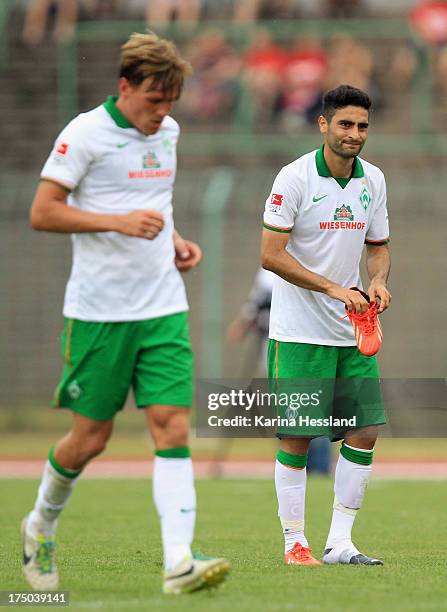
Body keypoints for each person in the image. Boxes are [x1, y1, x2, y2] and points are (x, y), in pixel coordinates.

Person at [22, 32, 230, 595]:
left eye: (170, 103)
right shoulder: (85, 133)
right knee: (89, 439)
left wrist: (176, 241)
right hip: (99, 313)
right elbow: (43, 212)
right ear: (124, 86)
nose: (162, 114)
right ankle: (40, 523)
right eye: (152, 102)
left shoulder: (169, 131)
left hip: (162, 306)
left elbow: (155, 204)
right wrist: (117, 223)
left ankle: (178, 562)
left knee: (172, 426)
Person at [262, 84, 391, 566]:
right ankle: (295, 542)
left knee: (366, 431)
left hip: (352, 330)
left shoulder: (373, 179)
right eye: (345, 124)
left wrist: (376, 281)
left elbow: (377, 245)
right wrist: (335, 288)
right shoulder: (293, 178)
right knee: (298, 436)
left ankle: (340, 543)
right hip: (298, 332)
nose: (354, 134)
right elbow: (270, 256)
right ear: (323, 125)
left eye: (361, 126)